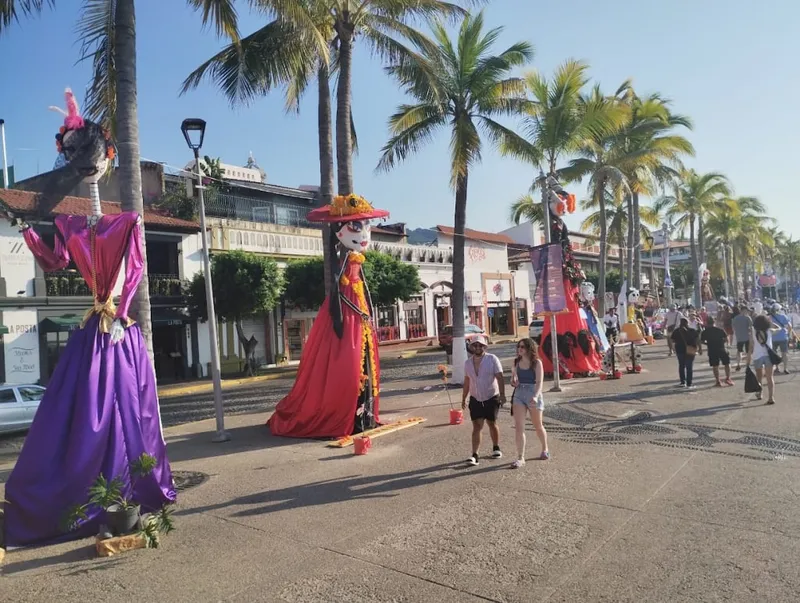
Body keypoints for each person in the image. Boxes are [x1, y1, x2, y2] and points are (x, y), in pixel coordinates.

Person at [461, 335, 506, 466]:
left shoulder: (492, 359)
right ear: (471, 347)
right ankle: (474, 454)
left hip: (491, 396)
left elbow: (500, 377)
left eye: (480, 345)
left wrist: (502, 395)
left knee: (492, 423)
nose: (478, 347)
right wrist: (463, 398)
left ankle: (496, 447)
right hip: (475, 398)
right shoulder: (467, 363)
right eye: (475, 345)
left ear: (484, 347)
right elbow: (467, 381)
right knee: (477, 426)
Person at [509, 338, 548, 468]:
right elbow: (513, 378)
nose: (519, 349)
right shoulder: (516, 362)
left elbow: (539, 382)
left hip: (533, 393)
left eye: (522, 347)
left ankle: (544, 448)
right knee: (519, 427)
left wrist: (536, 396)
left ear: (529, 349)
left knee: (538, 426)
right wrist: (513, 380)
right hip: (519, 394)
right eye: (518, 347)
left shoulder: (537, 363)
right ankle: (520, 457)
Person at [748, 314, 778, 404]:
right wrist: (771, 322)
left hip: (757, 356)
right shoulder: (769, 330)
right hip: (768, 356)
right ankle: (771, 397)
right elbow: (780, 328)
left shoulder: (753, 331)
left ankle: (760, 393)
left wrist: (748, 358)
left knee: (759, 377)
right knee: (770, 377)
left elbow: (751, 345)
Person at [701, 317, 733, 387]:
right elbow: (726, 338)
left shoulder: (705, 332)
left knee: (715, 366)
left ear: (707, 322)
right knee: (727, 363)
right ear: (714, 322)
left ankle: (718, 381)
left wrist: (708, 344)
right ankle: (728, 378)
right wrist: (722, 342)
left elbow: (702, 341)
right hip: (721, 348)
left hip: (712, 349)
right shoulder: (720, 330)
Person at [671, 317, 699, 389]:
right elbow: (697, 339)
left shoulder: (676, 331)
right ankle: (689, 383)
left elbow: (672, 340)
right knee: (689, 367)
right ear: (687, 323)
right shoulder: (692, 331)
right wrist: (699, 348)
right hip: (690, 350)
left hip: (680, 350)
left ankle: (682, 382)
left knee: (681, 366)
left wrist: (673, 349)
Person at [770, 304, 793, 375]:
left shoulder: (770, 318)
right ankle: (785, 368)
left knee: (774, 353)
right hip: (783, 337)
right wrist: (788, 334)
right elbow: (790, 326)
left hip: (773, 338)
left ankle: (777, 367)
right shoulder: (783, 316)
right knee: (784, 353)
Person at [731, 305, 752, 371]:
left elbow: (733, 327)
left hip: (739, 337)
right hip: (747, 337)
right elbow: (751, 328)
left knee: (739, 351)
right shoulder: (748, 318)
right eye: (747, 311)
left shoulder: (735, 318)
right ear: (744, 310)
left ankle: (738, 364)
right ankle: (748, 365)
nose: (747, 312)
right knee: (748, 352)